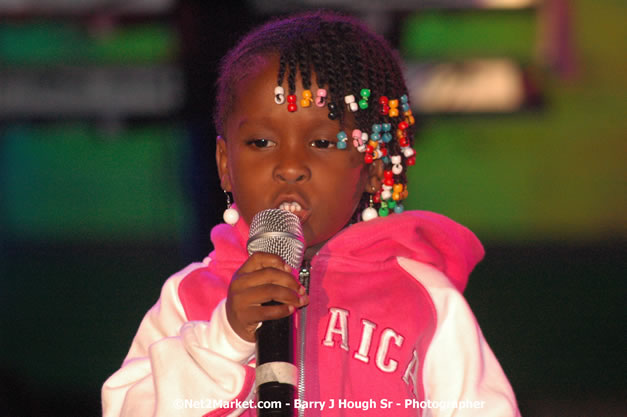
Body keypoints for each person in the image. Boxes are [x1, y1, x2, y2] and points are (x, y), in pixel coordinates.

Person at [102, 10, 520, 417]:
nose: (289, 166)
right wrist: (226, 339)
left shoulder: (426, 302)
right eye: (261, 143)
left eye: (321, 144)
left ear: (372, 169)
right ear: (224, 164)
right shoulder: (189, 297)